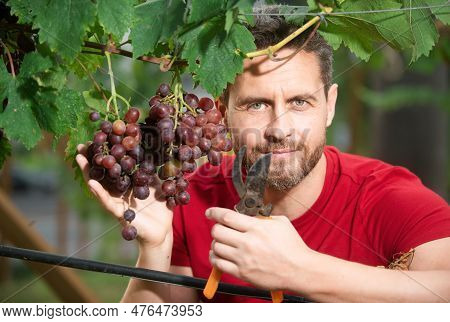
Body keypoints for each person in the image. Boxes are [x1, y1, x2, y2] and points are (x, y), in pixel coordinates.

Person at [76, 10, 450, 302]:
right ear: (222, 112)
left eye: (300, 102)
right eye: (256, 104)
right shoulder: (190, 198)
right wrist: (155, 248)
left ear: (330, 105)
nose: (279, 127)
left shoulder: (385, 196)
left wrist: (300, 270)